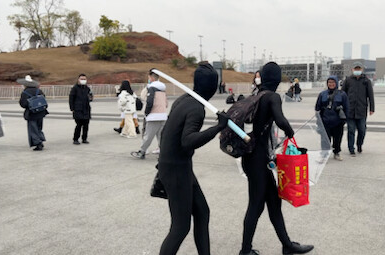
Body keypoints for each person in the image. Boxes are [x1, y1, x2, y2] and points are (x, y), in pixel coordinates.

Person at [239, 62, 314, 255]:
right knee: (255, 206)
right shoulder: (272, 97)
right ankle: (245, 250)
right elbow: (281, 120)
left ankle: (287, 245)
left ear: (262, 78)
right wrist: (291, 134)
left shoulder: (256, 96)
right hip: (258, 161)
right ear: (278, 79)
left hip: (253, 159)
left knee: (273, 202)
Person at [157, 62, 229, 255]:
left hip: (178, 166)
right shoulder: (196, 108)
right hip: (176, 169)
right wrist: (218, 128)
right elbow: (188, 141)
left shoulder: (183, 100)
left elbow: (166, 134)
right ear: (214, 88)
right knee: (180, 228)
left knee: (202, 212)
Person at [131, 69, 167, 159]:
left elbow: (150, 102)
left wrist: (147, 112)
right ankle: (164, 153)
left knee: (148, 136)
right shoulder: (163, 89)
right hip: (163, 115)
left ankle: (142, 152)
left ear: (151, 78)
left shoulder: (151, 88)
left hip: (154, 116)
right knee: (161, 136)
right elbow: (166, 104)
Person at [341, 62, 375, 156]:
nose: (357, 71)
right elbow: (342, 94)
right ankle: (351, 148)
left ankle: (359, 144)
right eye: (355, 69)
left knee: (362, 130)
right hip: (350, 110)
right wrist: (341, 106)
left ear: (362, 70)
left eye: (359, 69)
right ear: (352, 70)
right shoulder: (348, 80)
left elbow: (370, 95)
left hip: (361, 110)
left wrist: (372, 108)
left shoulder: (366, 81)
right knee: (351, 130)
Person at [315, 76, 349, 161]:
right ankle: (324, 155)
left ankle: (336, 152)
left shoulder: (342, 94)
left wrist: (344, 120)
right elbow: (317, 107)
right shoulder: (322, 94)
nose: (331, 84)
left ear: (336, 83)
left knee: (337, 138)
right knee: (325, 139)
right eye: (329, 82)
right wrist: (319, 119)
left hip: (337, 121)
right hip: (325, 121)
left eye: (333, 82)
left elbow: (347, 107)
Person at [18, 75, 48, 151]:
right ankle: (41, 139)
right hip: (41, 112)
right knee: (39, 127)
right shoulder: (39, 90)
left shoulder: (25, 92)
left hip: (31, 113)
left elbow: (23, 104)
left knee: (33, 128)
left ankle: (38, 143)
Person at [69, 74, 93, 145]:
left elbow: (90, 97)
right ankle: (76, 139)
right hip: (78, 109)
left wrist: (91, 97)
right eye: (81, 79)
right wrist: (72, 108)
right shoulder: (75, 88)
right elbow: (71, 98)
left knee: (86, 125)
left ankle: (84, 138)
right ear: (78, 80)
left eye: (84, 79)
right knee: (79, 125)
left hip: (86, 109)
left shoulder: (87, 88)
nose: (83, 80)